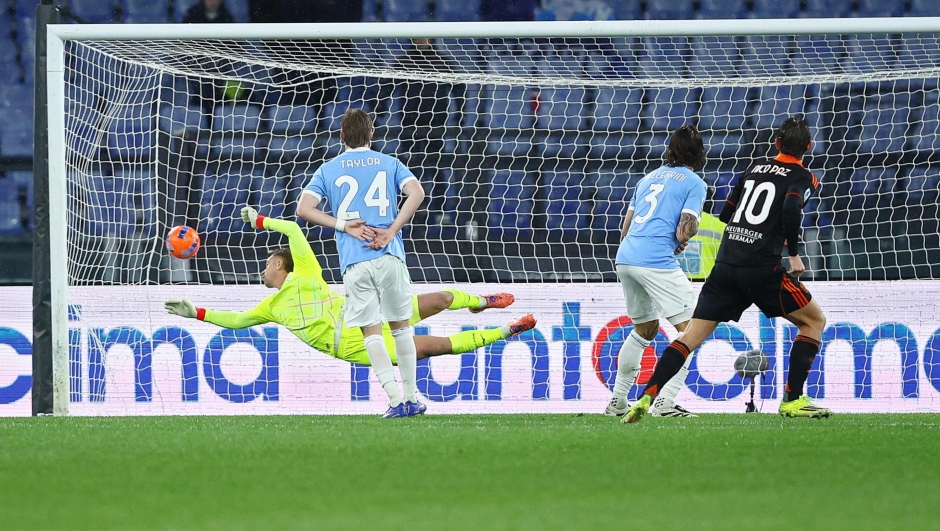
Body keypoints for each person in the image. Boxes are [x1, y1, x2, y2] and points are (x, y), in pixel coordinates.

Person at [165, 209, 534, 384]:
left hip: (368, 312)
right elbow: (234, 322)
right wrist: (194, 312)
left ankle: (482, 302)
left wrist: (258, 220)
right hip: (353, 347)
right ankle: (508, 331)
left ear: (280, 263)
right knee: (431, 348)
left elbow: (293, 226)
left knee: (437, 300)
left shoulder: (305, 271)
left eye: (266, 264)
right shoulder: (270, 307)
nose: (262, 271)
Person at [624, 116, 830, 424]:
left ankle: (648, 395)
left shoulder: (753, 168)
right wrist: (794, 253)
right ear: (809, 147)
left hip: (726, 264)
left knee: (689, 336)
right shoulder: (805, 177)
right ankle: (792, 400)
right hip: (761, 268)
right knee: (814, 321)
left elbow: (725, 213)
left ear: (775, 144)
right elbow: (790, 206)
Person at [296, 108, 424, 418]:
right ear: (372, 135)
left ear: (341, 137)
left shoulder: (328, 169)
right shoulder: (389, 163)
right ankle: (412, 397)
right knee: (401, 328)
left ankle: (394, 401)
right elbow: (417, 192)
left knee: (371, 332)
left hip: (355, 260)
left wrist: (343, 225)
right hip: (389, 253)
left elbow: (303, 208)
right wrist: (391, 231)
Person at [605, 124, 708, 419]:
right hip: (655, 259)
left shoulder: (648, 178)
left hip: (626, 256)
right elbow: (685, 227)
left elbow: (626, 226)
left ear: (670, 151)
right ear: (700, 153)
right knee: (691, 330)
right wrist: (683, 238)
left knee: (645, 329)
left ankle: (618, 401)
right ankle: (665, 402)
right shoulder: (694, 183)